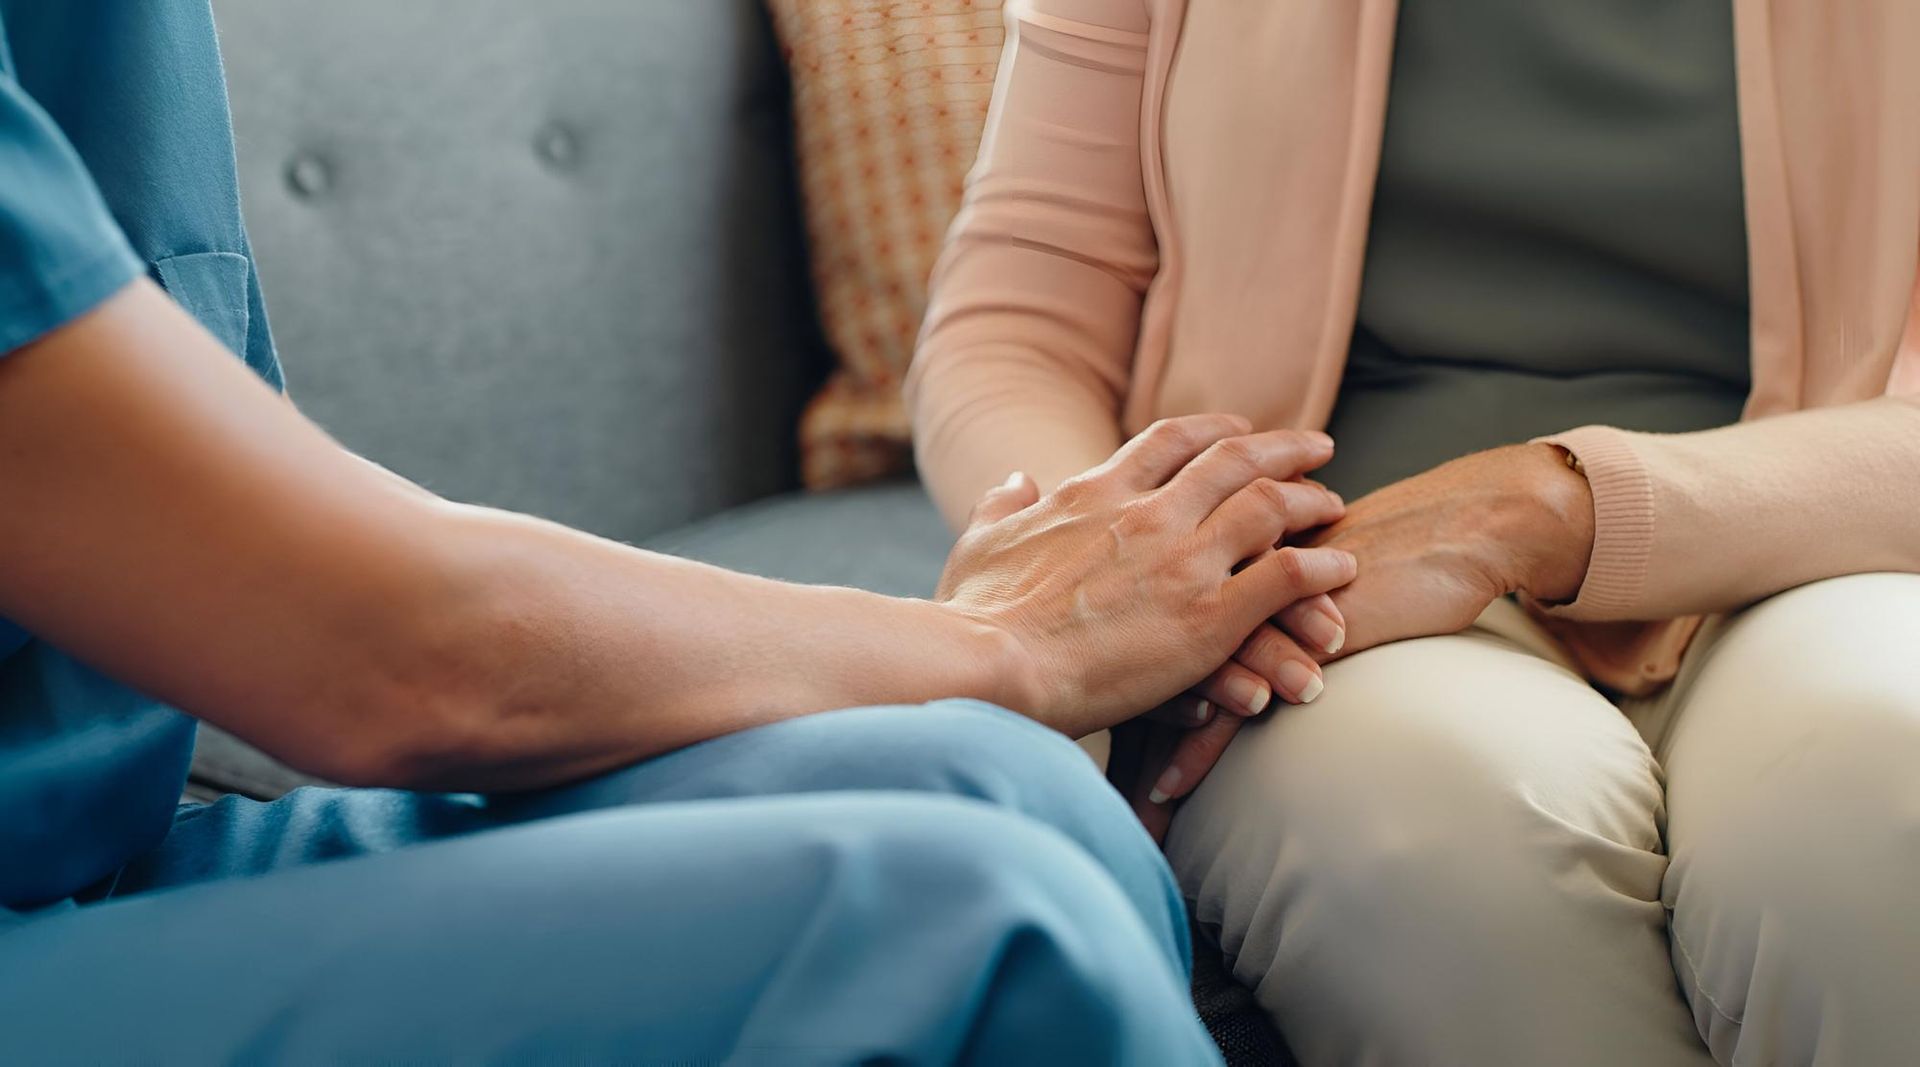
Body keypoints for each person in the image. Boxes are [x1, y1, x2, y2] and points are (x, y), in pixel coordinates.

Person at [0, 3, 1362, 1063]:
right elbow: (374, 653)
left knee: (1002, 782)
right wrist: (998, 640)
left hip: (97, 860)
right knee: (974, 932)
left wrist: (985, 677)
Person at [909, 1, 1920, 1064]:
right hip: (1323, 576)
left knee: (1877, 786)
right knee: (1408, 824)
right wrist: (1153, 574)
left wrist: (1534, 509)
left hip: (1819, 530)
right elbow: (1019, 328)